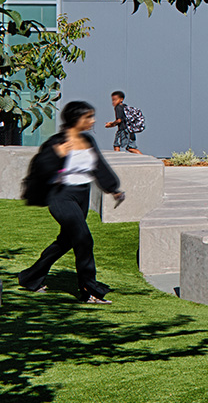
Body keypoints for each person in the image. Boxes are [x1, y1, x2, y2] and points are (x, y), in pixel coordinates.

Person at [17, 101, 125, 303]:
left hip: (82, 195)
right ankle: (89, 289)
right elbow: (39, 168)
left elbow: (98, 166)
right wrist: (57, 155)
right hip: (61, 196)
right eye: (88, 117)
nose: (92, 121)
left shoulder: (88, 141)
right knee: (84, 238)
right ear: (76, 119)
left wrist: (113, 189)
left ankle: (30, 277)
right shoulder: (57, 142)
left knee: (65, 242)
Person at [104, 90, 142, 155]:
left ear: (121, 99)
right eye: (112, 100)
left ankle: (116, 159)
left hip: (123, 130)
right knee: (131, 148)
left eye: (115, 100)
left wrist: (111, 124)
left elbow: (119, 120)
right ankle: (143, 157)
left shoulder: (118, 107)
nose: (113, 102)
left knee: (116, 145)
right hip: (130, 130)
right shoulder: (125, 107)